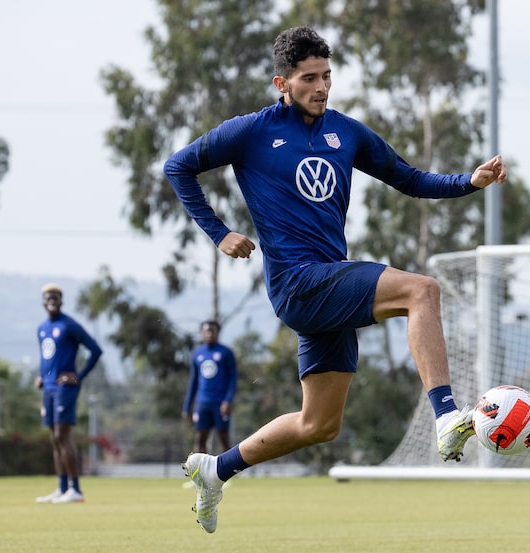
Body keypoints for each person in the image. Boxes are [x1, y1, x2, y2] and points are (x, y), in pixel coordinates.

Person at [164, 26, 507, 533]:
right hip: (298, 283)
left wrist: (469, 182)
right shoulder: (250, 131)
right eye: (309, 78)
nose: (321, 87)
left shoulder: (346, 131)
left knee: (319, 424)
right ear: (282, 83)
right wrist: (219, 233)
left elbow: (410, 179)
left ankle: (217, 470)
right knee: (423, 290)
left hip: (326, 284)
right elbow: (178, 167)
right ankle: (446, 416)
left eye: (327, 76)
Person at [34, 283, 103, 504]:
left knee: (63, 435)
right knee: (55, 438)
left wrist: (78, 376)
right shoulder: (42, 328)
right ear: (43, 302)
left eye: (55, 297)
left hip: (66, 389)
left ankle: (76, 489)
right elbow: (48, 358)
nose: (51, 300)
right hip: (49, 389)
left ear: (61, 301)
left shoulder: (69, 325)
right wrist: (41, 376)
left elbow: (95, 350)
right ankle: (62, 487)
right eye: (47, 297)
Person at [182, 320, 238, 454]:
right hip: (203, 403)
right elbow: (193, 381)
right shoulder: (197, 354)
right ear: (202, 333)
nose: (209, 334)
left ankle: (230, 470)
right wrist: (187, 407)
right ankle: (200, 472)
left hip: (220, 402)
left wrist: (228, 400)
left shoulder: (226, 352)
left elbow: (233, 379)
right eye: (206, 331)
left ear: (218, 332)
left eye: (212, 330)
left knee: (224, 436)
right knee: (201, 438)